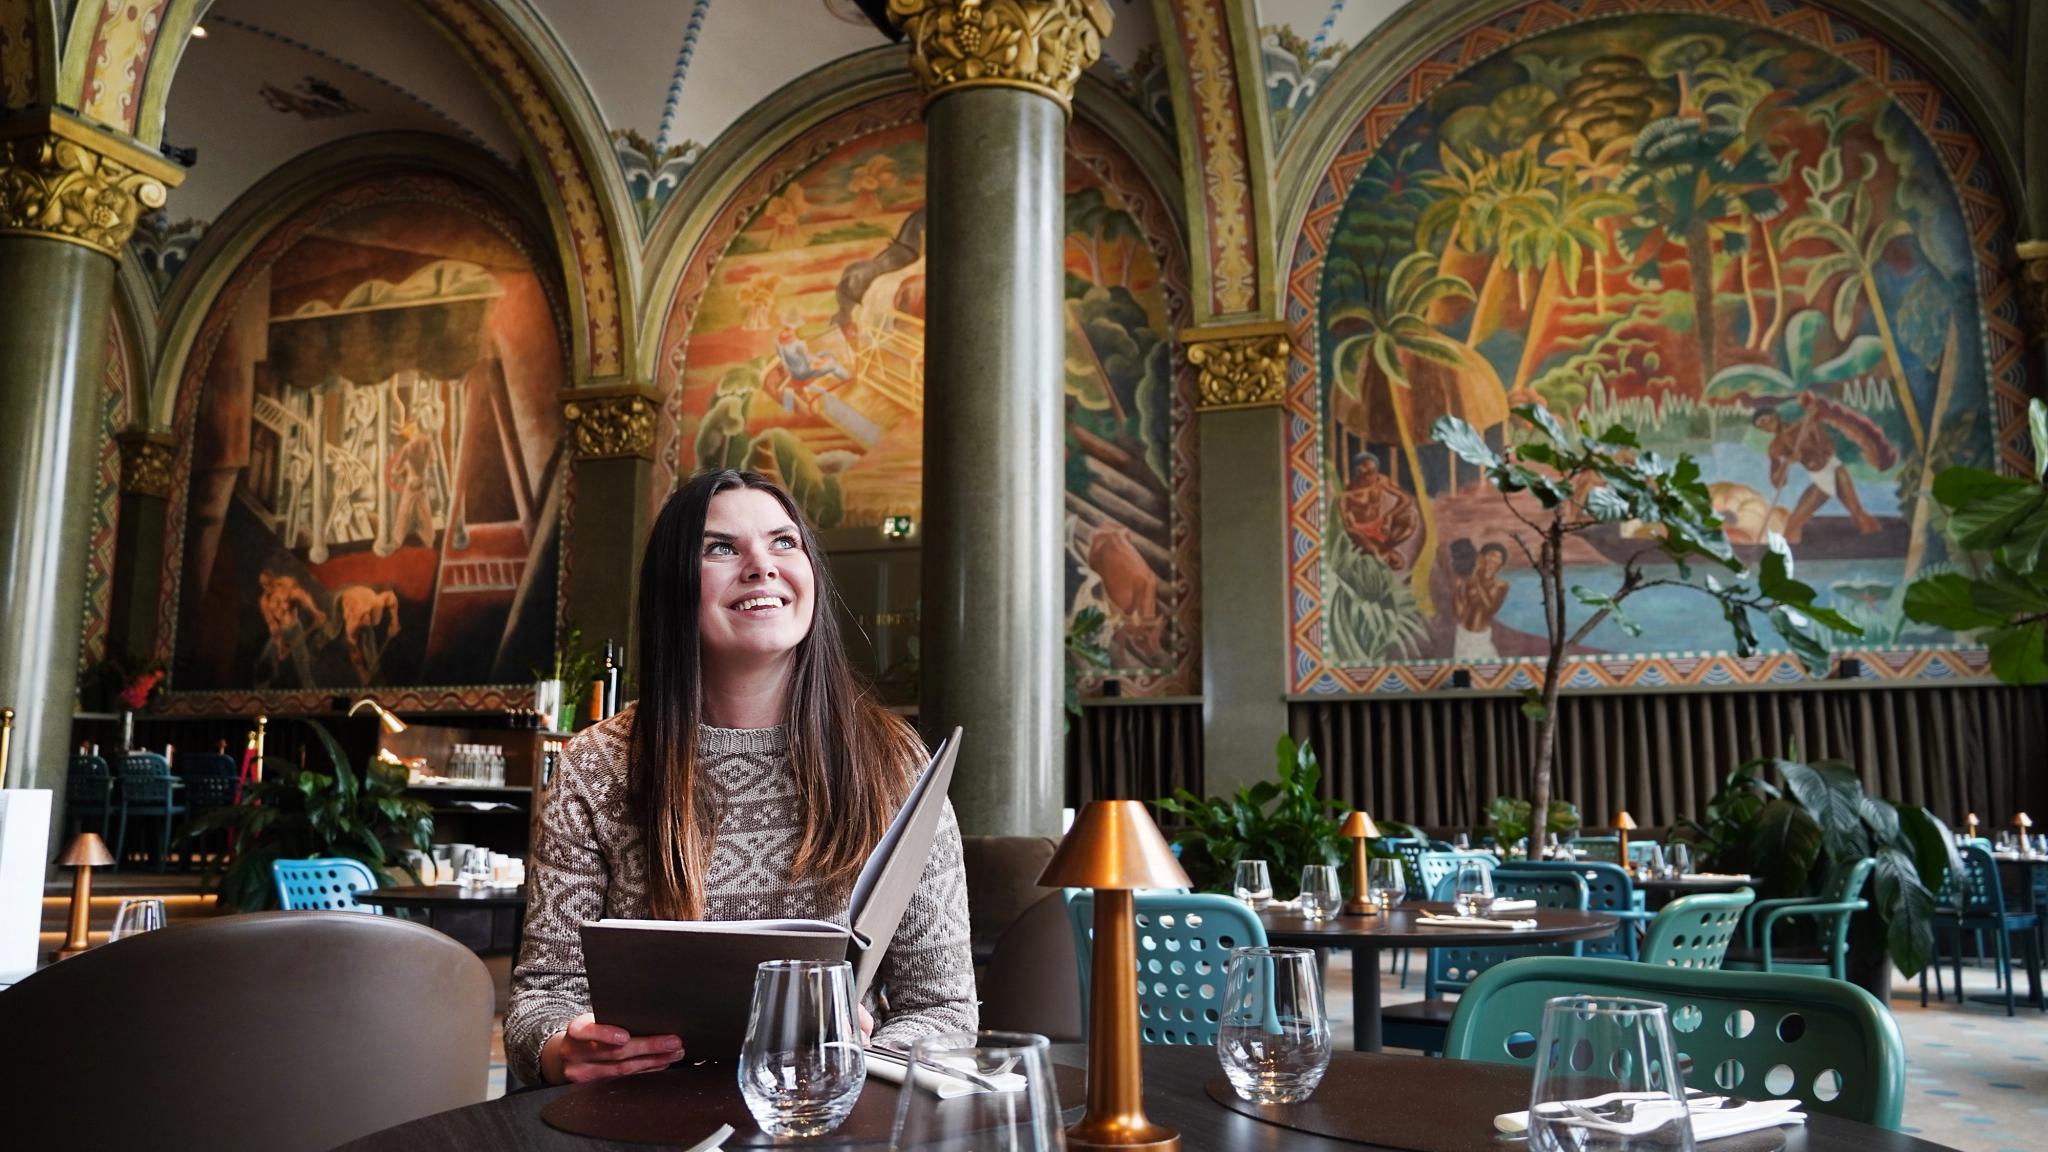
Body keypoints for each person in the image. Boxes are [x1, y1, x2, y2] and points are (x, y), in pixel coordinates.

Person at [505, 469, 974, 1086]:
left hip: (832, 1119)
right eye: (720, 548)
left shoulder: (894, 762)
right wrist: (566, 1049)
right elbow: (541, 1000)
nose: (762, 566)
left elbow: (942, 1009)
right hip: (646, 1120)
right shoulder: (597, 765)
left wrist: (870, 1053)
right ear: (674, 586)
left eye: (784, 542)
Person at [1340, 451, 1419, 569]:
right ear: (1358, 471)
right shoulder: (1347, 495)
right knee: (1387, 558)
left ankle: (1384, 549)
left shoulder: (1380, 481)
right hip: (1362, 532)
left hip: (1380, 526)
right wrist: (1360, 535)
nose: (1373, 476)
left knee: (1410, 518)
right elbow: (1347, 527)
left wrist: (1390, 515)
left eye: (1374, 471)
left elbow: (1406, 499)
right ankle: (1378, 552)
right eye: (1369, 473)